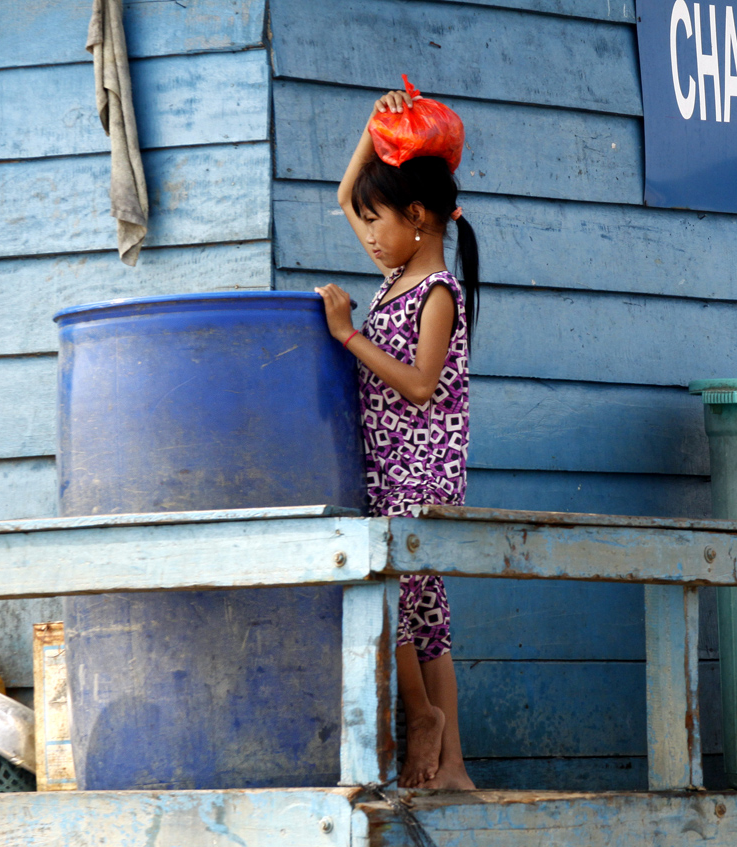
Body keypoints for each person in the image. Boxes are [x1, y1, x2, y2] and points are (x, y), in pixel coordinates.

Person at [316, 87, 478, 790]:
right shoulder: (393, 276)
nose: (368, 231)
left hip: (422, 467)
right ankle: (456, 769)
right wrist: (374, 128)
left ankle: (422, 717)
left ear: (418, 216)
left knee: (397, 600)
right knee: (427, 613)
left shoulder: (436, 289)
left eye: (380, 221)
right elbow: (348, 192)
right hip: (389, 465)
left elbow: (419, 385)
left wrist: (348, 334)